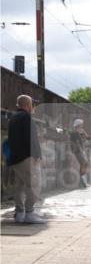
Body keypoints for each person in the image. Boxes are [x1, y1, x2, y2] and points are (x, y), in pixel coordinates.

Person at [8, 95, 45, 223]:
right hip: (27, 157)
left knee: (20, 186)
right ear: (28, 105)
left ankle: (19, 213)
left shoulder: (13, 117)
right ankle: (29, 213)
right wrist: (37, 156)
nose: (33, 107)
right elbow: (32, 139)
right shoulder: (26, 117)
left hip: (15, 158)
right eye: (32, 104)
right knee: (33, 185)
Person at [70, 118, 89, 188]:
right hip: (77, 150)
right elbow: (76, 143)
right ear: (78, 124)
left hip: (81, 150)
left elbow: (88, 138)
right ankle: (83, 181)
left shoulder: (80, 132)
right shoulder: (74, 132)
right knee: (84, 163)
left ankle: (83, 180)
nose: (82, 125)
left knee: (85, 164)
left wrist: (84, 133)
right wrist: (81, 151)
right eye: (81, 124)